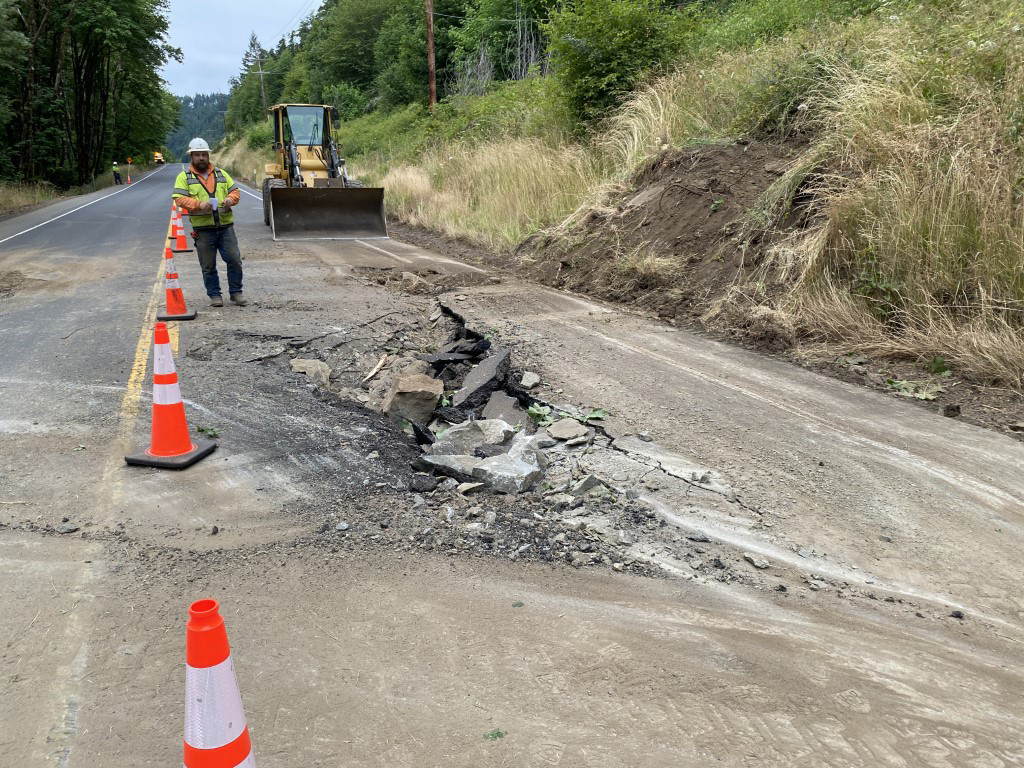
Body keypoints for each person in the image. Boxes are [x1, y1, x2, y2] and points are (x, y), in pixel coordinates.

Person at [171, 138, 245, 307]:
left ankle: (236, 292)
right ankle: (215, 295)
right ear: (192, 156)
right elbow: (179, 198)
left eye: (204, 154)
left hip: (225, 227)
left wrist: (230, 200)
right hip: (203, 230)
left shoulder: (221, 174)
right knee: (208, 265)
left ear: (208, 155)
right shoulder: (184, 177)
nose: (201, 158)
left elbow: (235, 191)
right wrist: (197, 205)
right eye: (197, 155)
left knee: (234, 260)